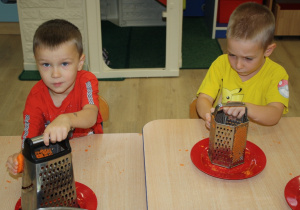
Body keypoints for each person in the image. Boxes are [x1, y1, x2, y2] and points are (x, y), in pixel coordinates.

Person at [6, 19, 103, 175]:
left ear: (80, 63)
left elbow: (91, 115)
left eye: (64, 63)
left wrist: (67, 119)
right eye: (46, 64)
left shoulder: (87, 80)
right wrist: (21, 158)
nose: (55, 74)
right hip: (55, 160)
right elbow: (28, 140)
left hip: (91, 151)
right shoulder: (35, 97)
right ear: (37, 64)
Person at [196, 2, 289, 129]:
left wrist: (247, 108)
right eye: (232, 54)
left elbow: (274, 114)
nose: (238, 65)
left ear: (268, 51)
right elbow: (204, 98)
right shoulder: (221, 64)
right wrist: (209, 115)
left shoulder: (278, 74)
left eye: (248, 58)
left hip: (259, 133)